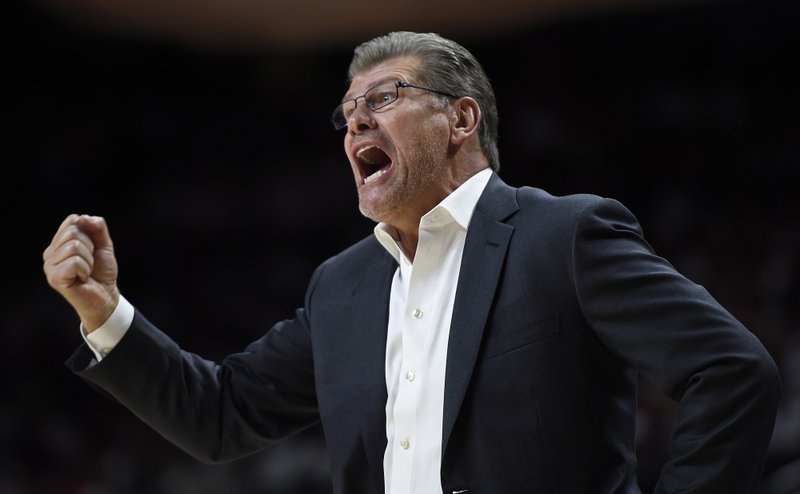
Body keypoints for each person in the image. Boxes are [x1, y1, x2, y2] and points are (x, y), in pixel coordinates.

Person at [43, 31, 781, 494]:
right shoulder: (342, 288)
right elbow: (219, 417)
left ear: (461, 119)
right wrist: (104, 312)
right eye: (347, 112)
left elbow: (732, 370)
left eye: (385, 97)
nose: (355, 120)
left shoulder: (564, 236)